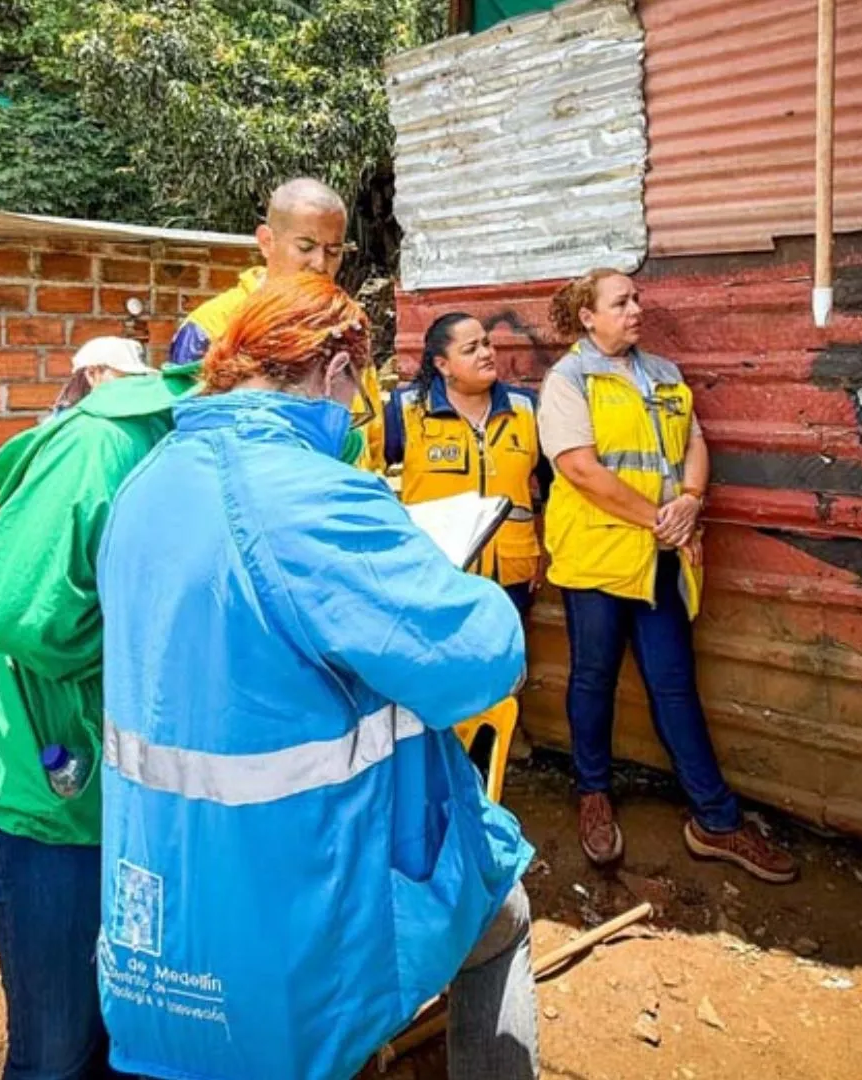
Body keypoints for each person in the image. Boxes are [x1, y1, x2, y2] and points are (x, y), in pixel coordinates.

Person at [96, 273, 539, 1080]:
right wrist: (464, 586)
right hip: (301, 915)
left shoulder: (147, 482)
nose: (354, 415)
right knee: (501, 905)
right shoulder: (309, 497)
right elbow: (479, 659)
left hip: (157, 927)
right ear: (337, 365)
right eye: (357, 393)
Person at [0, 344, 197, 1080]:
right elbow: (23, 615)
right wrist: (156, 639)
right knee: (56, 1047)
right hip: (36, 794)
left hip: (110, 791)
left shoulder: (184, 447)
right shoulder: (102, 446)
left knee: (118, 1021)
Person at [537, 268, 797, 884]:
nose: (635, 309)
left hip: (659, 558)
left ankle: (715, 819)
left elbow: (693, 443)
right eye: (621, 302)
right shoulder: (566, 381)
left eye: (637, 299)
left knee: (674, 684)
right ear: (588, 317)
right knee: (594, 678)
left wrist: (690, 498)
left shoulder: (664, 374)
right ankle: (593, 794)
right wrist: (661, 518)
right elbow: (579, 469)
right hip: (599, 558)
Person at [167, 177, 386, 471]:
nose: (320, 264)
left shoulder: (348, 326)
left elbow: (371, 441)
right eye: (306, 247)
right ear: (267, 241)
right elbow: (190, 441)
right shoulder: (211, 327)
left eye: (333, 251)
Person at [384, 313, 552, 611]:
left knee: (506, 657)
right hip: (435, 573)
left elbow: (553, 489)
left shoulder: (525, 408)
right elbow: (364, 473)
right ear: (442, 364)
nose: (486, 354)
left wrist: (544, 552)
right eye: (470, 349)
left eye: (487, 344)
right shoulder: (407, 411)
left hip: (511, 575)